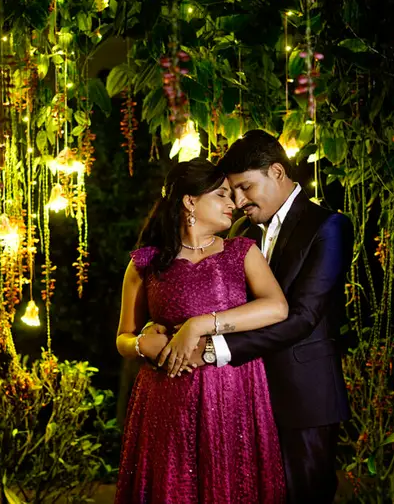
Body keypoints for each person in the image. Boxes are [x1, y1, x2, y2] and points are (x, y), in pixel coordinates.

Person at [181, 130, 353, 503]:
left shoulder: (328, 227)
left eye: (245, 187)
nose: (239, 201)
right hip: (245, 395)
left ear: (277, 171)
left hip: (305, 396)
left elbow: (303, 317)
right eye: (232, 191)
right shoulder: (243, 235)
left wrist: (215, 349)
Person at [114, 158, 288, 504]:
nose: (233, 204)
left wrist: (200, 325)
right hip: (167, 394)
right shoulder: (145, 263)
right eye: (222, 195)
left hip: (233, 391)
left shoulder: (241, 252)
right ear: (190, 201)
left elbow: (277, 307)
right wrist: (143, 346)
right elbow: (123, 338)